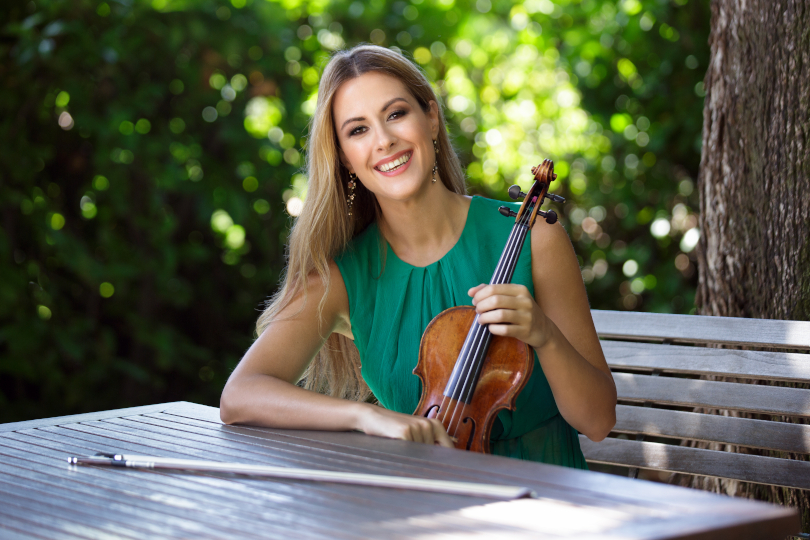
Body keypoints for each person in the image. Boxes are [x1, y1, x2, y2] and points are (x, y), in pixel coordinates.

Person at [220, 44, 616, 469]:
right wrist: (367, 416)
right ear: (345, 159)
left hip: (548, 507)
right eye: (358, 130)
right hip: (426, 505)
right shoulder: (344, 276)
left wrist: (544, 334)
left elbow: (597, 421)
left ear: (430, 117)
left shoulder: (533, 236)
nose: (384, 140)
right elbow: (240, 394)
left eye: (395, 114)